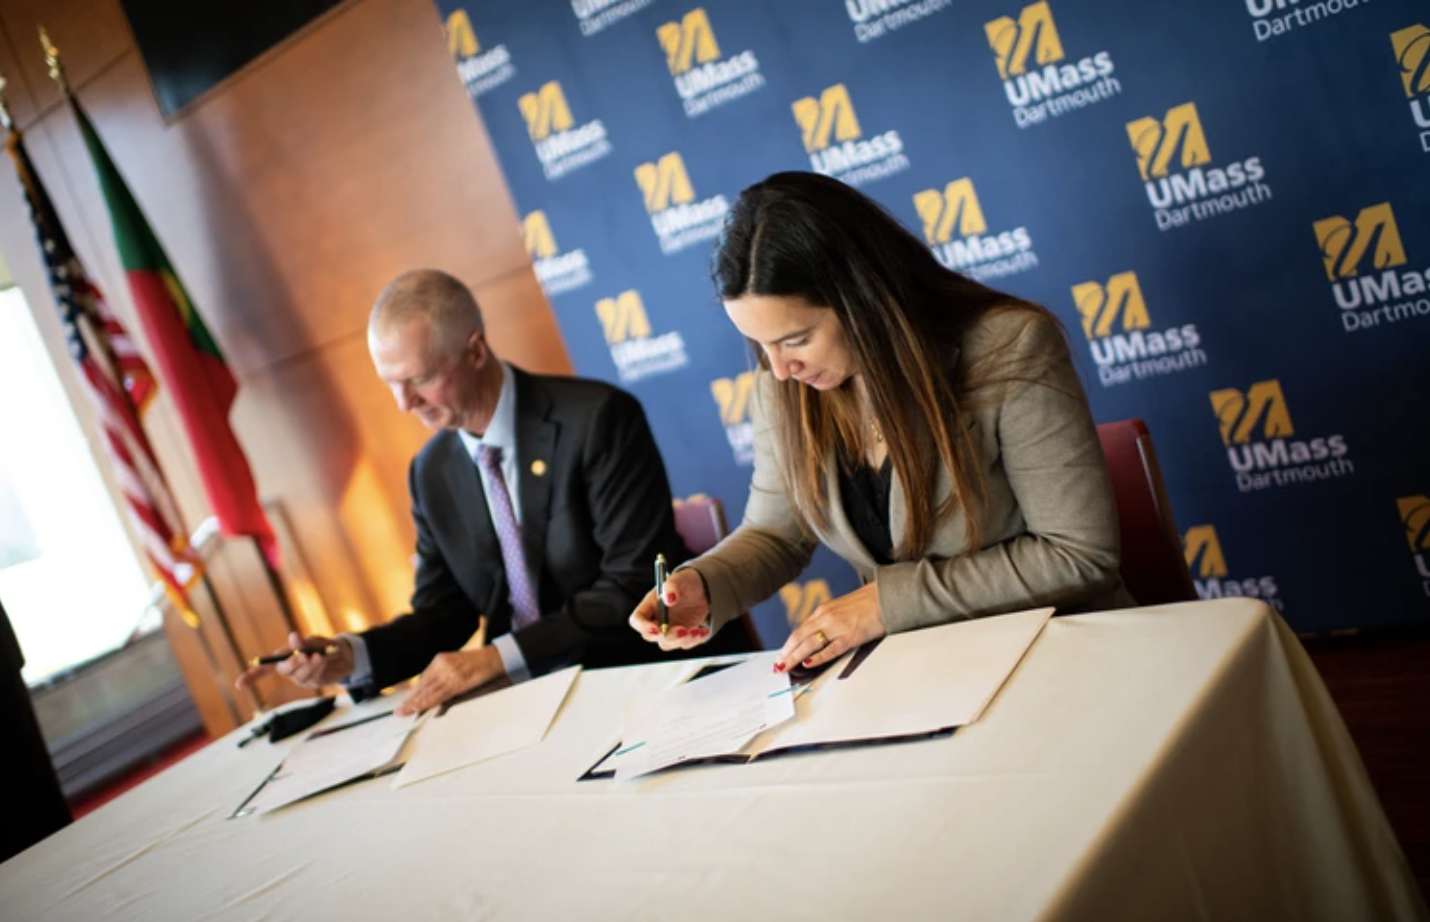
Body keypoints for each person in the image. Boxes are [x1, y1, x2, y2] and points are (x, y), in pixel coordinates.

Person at [630, 172, 1132, 673]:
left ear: (863, 297)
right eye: (762, 345)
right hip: (924, 674)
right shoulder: (781, 386)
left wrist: (885, 604)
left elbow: (1076, 554)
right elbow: (776, 533)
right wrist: (706, 584)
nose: (781, 369)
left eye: (797, 339)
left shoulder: (1010, 345)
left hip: (1060, 655)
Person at [238, 269, 745, 713]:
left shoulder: (598, 419)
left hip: (639, 680)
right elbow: (443, 614)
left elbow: (630, 585)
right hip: (526, 706)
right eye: (390, 383)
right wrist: (353, 656)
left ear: (475, 350)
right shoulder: (430, 471)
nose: (403, 403)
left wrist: (500, 656)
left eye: (419, 379)